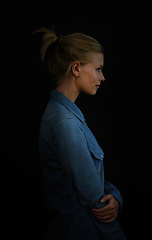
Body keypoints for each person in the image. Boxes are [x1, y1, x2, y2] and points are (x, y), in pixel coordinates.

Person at [37, 27, 126, 240]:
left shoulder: (67, 115)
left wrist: (115, 197)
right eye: (97, 69)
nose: (102, 77)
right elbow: (96, 205)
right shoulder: (64, 123)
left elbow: (93, 180)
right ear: (76, 67)